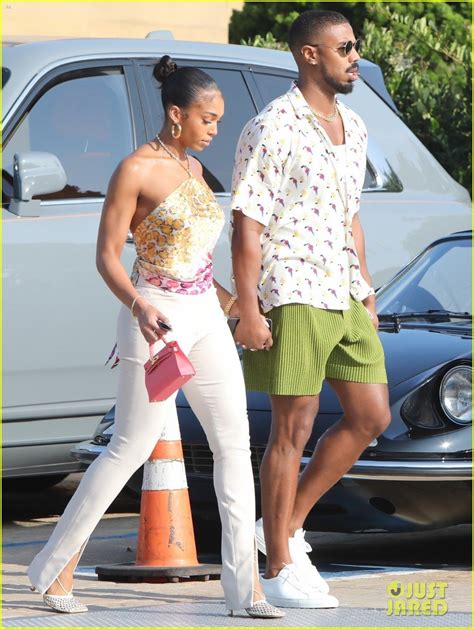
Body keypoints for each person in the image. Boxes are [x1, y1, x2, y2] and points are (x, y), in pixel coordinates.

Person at [28, 55, 284, 620]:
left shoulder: (194, 173)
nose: (215, 130)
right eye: (208, 119)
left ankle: (248, 591)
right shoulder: (134, 170)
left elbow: (196, 262)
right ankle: (53, 568)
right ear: (176, 114)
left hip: (205, 318)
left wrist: (238, 308)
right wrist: (140, 306)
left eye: (218, 120)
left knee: (234, 447)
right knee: (129, 449)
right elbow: (105, 258)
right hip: (155, 316)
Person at [231, 10, 391, 609]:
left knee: (371, 415)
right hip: (292, 287)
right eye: (344, 47)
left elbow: (351, 214)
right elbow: (246, 222)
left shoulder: (354, 125)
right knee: (291, 429)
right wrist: (248, 309)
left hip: (344, 288)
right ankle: (276, 568)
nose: (355, 56)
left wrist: (368, 288)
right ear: (310, 56)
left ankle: (285, 527)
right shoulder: (271, 126)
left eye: (356, 46)